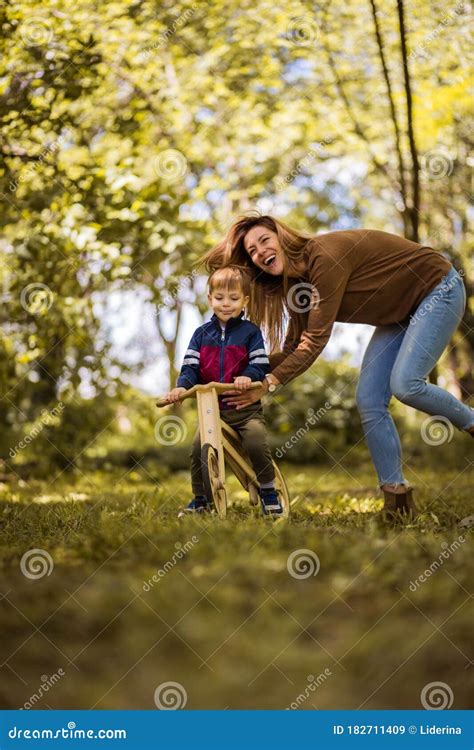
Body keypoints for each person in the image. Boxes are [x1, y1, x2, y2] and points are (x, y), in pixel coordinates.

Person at [201, 214, 474, 520]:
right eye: (251, 251)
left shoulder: (324, 257)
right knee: (370, 399)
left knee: (406, 384)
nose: (260, 251)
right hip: (401, 313)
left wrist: (269, 383)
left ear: (282, 237)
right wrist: (248, 369)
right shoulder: (297, 288)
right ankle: (397, 504)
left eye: (265, 240)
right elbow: (294, 348)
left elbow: (315, 340)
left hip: (438, 288)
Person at [165, 265, 283, 516]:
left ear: (245, 301)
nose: (226, 304)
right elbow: (189, 368)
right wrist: (180, 388)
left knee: (255, 439)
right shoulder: (200, 335)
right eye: (219, 298)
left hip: (244, 409)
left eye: (233, 298)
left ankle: (269, 491)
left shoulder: (250, 333)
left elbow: (260, 364)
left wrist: (247, 377)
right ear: (210, 299)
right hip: (212, 411)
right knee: (198, 449)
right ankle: (200, 500)